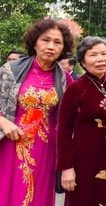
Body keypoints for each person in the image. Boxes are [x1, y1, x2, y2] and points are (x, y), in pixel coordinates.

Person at [0, 18, 75, 206]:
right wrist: (2, 122)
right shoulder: (10, 71)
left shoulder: (64, 79)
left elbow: (77, 112)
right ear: (35, 42)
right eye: (45, 40)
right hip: (10, 143)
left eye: (57, 42)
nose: (51, 46)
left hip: (45, 149)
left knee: (37, 196)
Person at [56, 36, 106, 205]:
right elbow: (63, 129)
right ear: (83, 62)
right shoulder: (76, 89)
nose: (100, 59)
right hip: (83, 160)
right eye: (93, 55)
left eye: (104, 53)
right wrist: (66, 167)